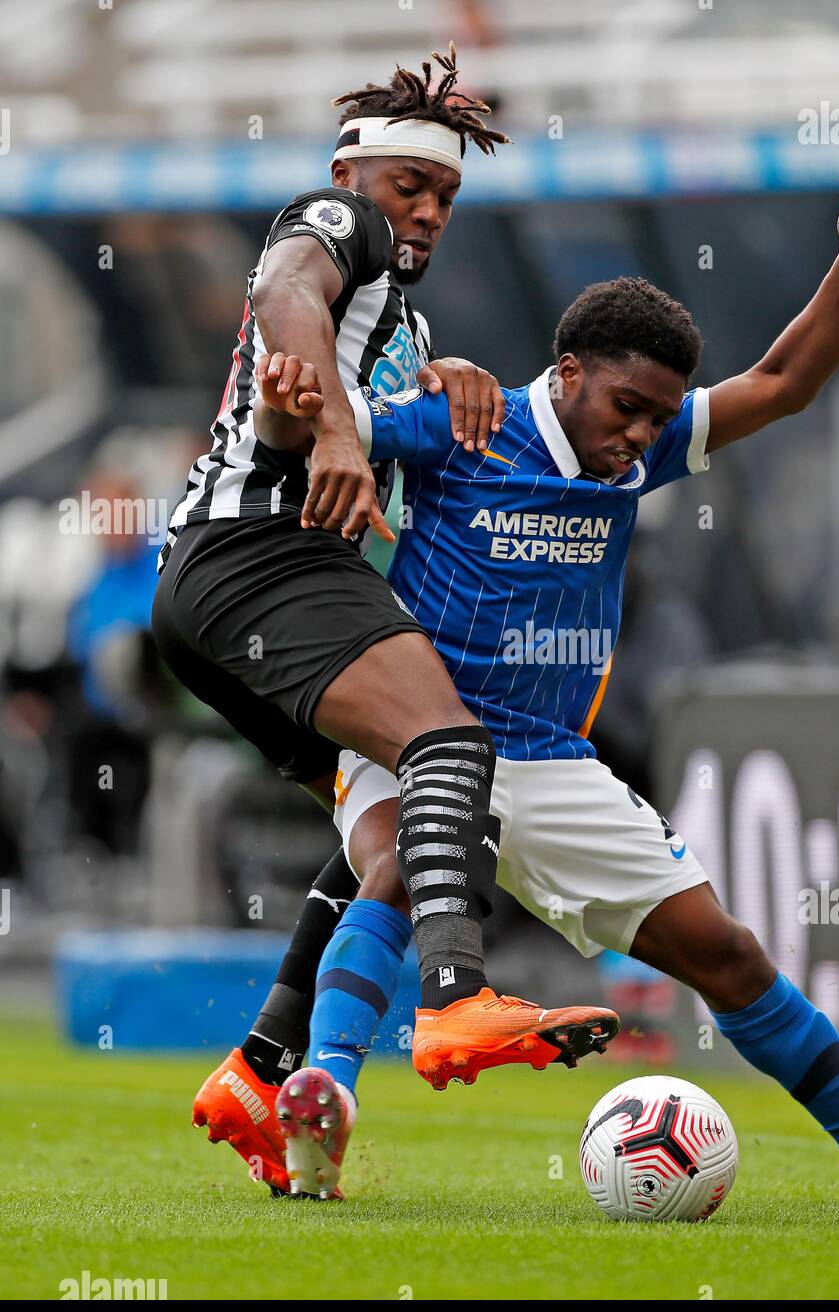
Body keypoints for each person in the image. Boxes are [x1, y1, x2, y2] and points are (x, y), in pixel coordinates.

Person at [257, 164, 839, 1208]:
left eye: (656, 416)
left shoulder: (646, 445)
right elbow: (324, 421)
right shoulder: (459, 420)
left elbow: (783, 381)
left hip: (548, 759)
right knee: (398, 862)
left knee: (725, 952)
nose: (638, 433)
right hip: (417, 727)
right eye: (625, 405)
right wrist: (305, 405)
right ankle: (325, 1094)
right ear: (568, 369)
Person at [156, 47, 618, 1195]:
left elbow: (355, 365)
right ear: (353, 174)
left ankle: (260, 1069)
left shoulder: (396, 321)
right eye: (410, 185)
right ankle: (455, 999)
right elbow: (282, 294)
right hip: (260, 556)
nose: (427, 209)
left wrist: (441, 379)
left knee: (391, 841)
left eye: (447, 196)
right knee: (450, 744)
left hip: (224, 588)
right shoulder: (331, 224)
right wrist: (337, 440)